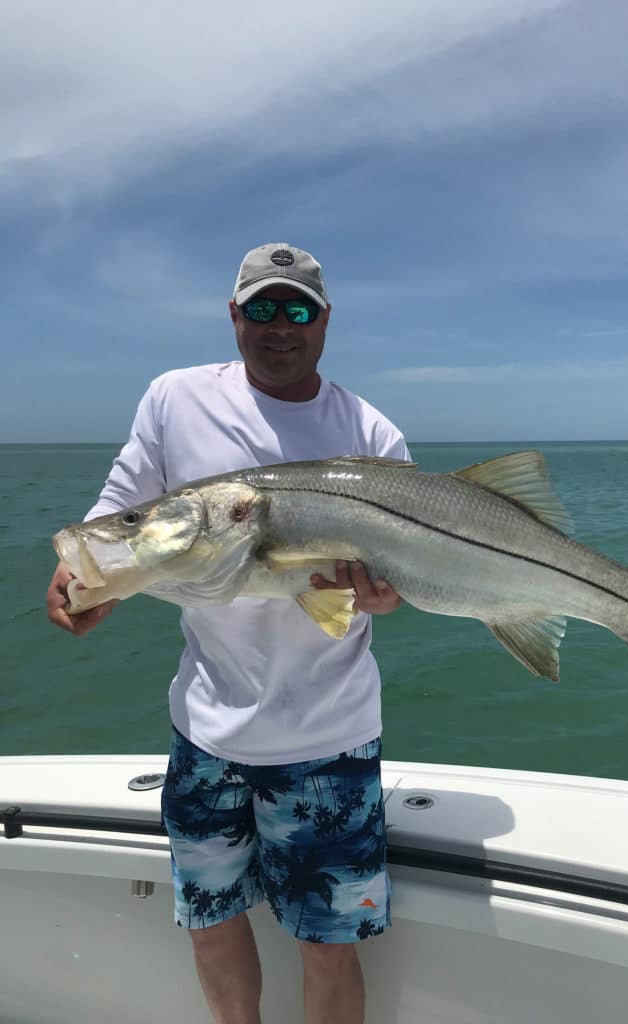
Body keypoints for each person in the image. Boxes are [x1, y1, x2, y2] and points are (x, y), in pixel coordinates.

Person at [46, 242, 409, 1024]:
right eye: (265, 308)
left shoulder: (371, 434)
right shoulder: (175, 400)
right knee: (210, 923)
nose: (282, 326)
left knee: (327, 943)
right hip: (205, 732)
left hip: (330, 737)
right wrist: (93, 580)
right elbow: (125, 516)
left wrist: (383, 596)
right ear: (235, 315)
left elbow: (395, 589)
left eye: (299, 310)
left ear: (325, 320)